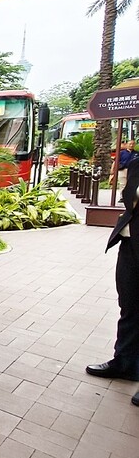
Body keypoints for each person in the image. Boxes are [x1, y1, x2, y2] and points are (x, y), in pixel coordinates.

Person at [87, 155, 139, 407]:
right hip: (131, 243)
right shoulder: (137, 163)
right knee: (129, 305)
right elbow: (130, 199)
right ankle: (125, 362)